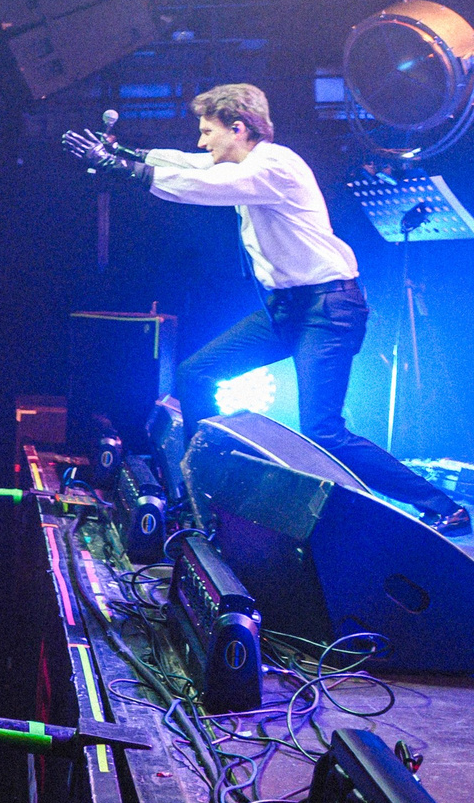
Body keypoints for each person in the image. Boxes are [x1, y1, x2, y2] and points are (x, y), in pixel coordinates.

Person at [65, 82, 467, 530]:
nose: (201, 142)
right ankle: (204, 484)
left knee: (324, 432)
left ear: (237, 128)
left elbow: (199, 183)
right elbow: (191, 164)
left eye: (207, 131)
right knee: (197, 373)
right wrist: (129, 153)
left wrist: (122, 169)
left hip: (327, 311)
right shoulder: (240, 164)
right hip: (286, 311)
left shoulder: (274, 164)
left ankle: (440, 505)